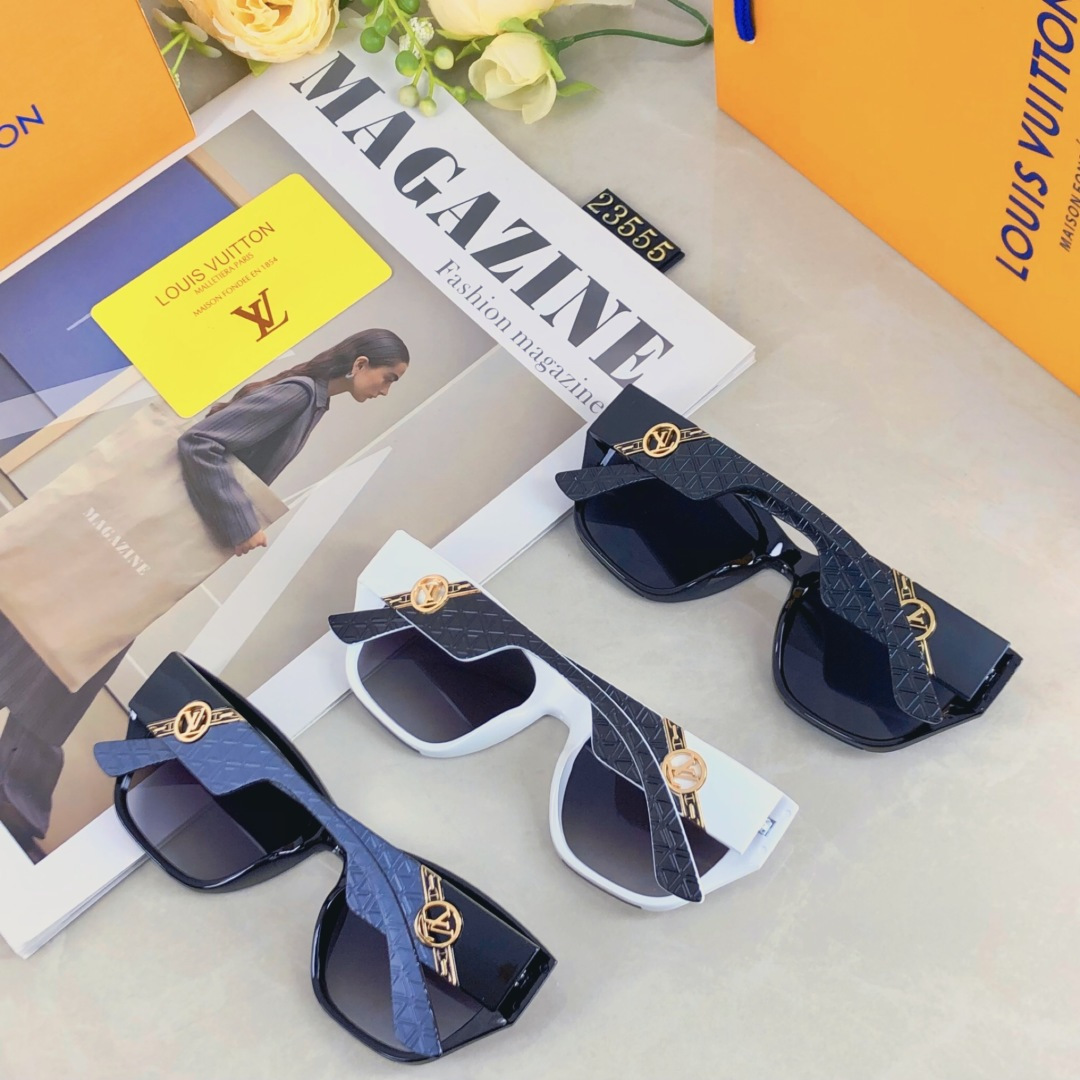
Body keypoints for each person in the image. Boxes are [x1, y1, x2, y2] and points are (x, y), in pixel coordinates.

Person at [0, 329, 410, 858]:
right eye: (387, 377)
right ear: (360, 363)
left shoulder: (310, 400)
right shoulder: (299, 396)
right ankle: (17, 790)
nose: (385, 389)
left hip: (135, 547)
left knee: (63, 640)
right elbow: (202, 443)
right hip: (139, 551)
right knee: (84, 648)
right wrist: (240, 523)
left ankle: (18, 787)